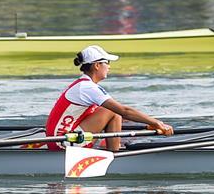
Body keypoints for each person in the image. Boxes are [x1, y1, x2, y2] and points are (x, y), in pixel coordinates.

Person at [45, 45, 173, 152]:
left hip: (64, 139)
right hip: (62, 144)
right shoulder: (87, 87)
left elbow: (119, 116)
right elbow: (124, 111)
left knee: (113, 113)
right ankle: (115, 154)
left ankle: (114, 150)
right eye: (107, 63)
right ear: (97, 65)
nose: (109, 67)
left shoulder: (83, 85)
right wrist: (156, 123)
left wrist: (145, 126)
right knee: (113, 111)